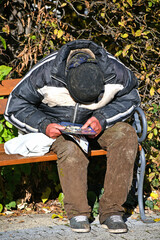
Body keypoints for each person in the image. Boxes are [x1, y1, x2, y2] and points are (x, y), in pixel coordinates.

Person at [4, 39, 140, 234]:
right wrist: (44, 125)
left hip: (98, 125)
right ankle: (78, 213)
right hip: (57, 128)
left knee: (126, 135)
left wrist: (102, 118)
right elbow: (15, 106)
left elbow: (131, 97)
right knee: (70, 147)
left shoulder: (114, 70)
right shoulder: (46, 72)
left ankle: (112, 212)